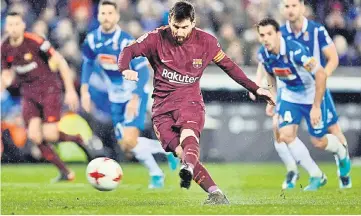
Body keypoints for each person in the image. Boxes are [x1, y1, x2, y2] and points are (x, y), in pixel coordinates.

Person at [118, 1, 275, 204]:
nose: (180, 32)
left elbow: (230, 67)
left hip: (189, 101)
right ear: (169, 21)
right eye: (176, 27)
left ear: (193, 23)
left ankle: (189, 168)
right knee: (181, 152)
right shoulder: (156, 38)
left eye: (184, 27)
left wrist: (256, 88)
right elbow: (128, 51)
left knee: (188, 135)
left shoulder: (206, 42)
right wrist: (125, 69)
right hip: (162, 107)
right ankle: (215, 193)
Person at [251, 0, 352, 190]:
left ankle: (342, 157)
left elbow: (326, 66)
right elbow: (267, 71)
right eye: (262, 35)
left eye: (293, 5)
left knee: (322, 139)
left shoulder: (307, 38)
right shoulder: (268, 45)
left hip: (314, 89)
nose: (265, 38)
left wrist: (316, 100)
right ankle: (308, 174)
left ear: (302, 7)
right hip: (290, 93)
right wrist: (269, 95)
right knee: (283, 132)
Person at [80, 0, 179, 189]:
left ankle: (156, 174)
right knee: (126, 146)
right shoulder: (92, 40)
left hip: (134, 96)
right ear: (98, 16)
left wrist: (135, 97)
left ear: (117, 16)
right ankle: (166, 150)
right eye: (103, 13)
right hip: (115, 99)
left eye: (110, 13)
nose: (106, 17)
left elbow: (142, 71)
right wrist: (84, 91)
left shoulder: (125, 42)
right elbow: (87, 64)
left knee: (129, 140)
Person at [1, 11, 91, 182]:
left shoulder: (35, 41)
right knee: (35, 136)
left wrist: (70, 90)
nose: (12, 28)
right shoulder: (4, 47)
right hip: (28, 93)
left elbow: (60, 62)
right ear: (6, 26)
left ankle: (77, 139)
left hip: (49, 89)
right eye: (9, 24)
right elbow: (6, 74)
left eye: (16, 24)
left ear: (23, 26)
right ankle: (66, 172)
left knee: (49, 135)